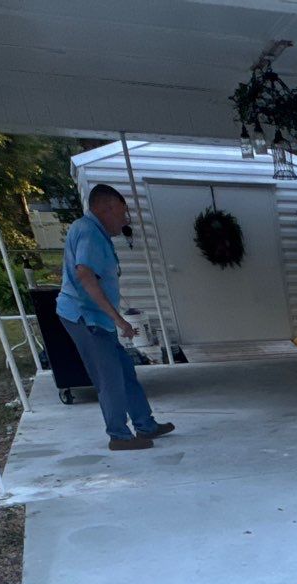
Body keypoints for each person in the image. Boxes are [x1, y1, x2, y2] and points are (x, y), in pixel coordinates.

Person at [56, 183, 175, 451]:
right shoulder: (89, 232)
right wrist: (120, 320)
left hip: (98, 318)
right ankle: (119, 436)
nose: (124, 221)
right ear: (105, 208)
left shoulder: (93, 232)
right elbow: (85, 275)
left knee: (124, 371)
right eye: (122, 214)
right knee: (110, 377)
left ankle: (146, 425)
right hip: (86, 318)